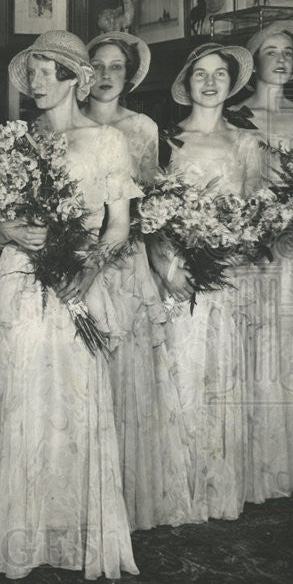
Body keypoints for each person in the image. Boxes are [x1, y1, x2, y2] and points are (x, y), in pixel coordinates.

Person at [0, 31, 139, 580]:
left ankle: (70, 535)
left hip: (76, 285)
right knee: (22, 398)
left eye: (46, 72)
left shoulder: (107, 141)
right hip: (20, 280)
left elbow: (117, 226)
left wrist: (87, 271)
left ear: (74, 78)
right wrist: (0, 227)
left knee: (71, 403)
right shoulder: (18, 140)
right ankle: (20, 534)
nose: (35, 83)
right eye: (32, 73)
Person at [84, 32, 195, 529]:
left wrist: (161, 266)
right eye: (98, 65)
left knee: (127, 370)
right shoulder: (67, 120)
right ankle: (85, 489)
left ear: (129, 77)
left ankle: (126, 495)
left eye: (116, 67)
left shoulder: (143, 127)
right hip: (76, 257)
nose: (106, 75)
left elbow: (150, 205)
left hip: (124, 260)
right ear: (83, 72)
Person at [152, 43, 265, 522]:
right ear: (187, 82)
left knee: (221, 376)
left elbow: (259, 215)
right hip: (179, 275)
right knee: (180, 372)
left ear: (232, 82)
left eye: (220, 74)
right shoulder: (167, 140)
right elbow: (150, 218)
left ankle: (216, 490)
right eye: (201, 74)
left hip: (228, 277)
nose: (211, 82)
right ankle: (178, 492)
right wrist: (167, 269)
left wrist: (236, 245)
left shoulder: (246, 143)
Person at [238, 21, 293, 502]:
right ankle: (257, 469)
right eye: (271, 51)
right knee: (255, 352)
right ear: (254, 61)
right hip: (251, 253)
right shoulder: (235, 116)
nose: (282, 59)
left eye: (288, 51)